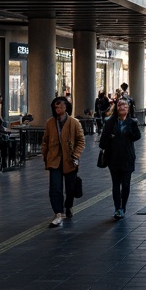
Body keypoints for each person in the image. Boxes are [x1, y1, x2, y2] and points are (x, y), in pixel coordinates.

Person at [42, 95, 85, 227]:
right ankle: (58, 213)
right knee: (55, 188)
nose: (58, 108)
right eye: (55, 106)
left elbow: (81, 141)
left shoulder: (74, 122)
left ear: (66, 107)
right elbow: (45, 141)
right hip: (54, 160)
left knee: (70, 188)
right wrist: (46, 156)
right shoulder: (50, 123)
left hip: (70, 160)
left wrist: (76, 155)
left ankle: (69, 206)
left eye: (60, 105)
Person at [100, 96, 142, 218]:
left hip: (127, 157)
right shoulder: (110, 122)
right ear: (116, 108)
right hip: (113, 158)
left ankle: (123, 206)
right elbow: (102, 142)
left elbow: (137, 136)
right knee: (115, 184)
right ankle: (118, 208)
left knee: (126, 184)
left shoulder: (132, 122)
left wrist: (129, 132)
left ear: (128, 109)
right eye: (120, 105)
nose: (122, 107)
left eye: (125, 105)